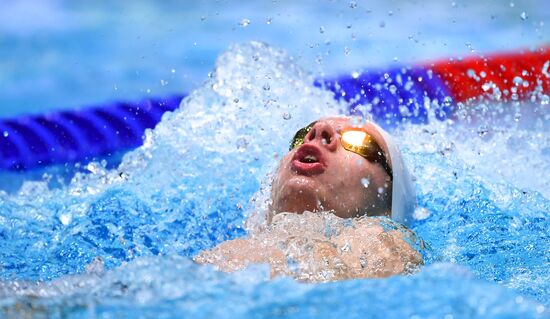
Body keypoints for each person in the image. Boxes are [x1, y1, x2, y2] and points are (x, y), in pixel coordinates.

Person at [195, 116, 422, 281]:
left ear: (388, 208)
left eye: (359, 141)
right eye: (301, 136)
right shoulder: (227, 252)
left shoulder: (383, 246)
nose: (317, 131)